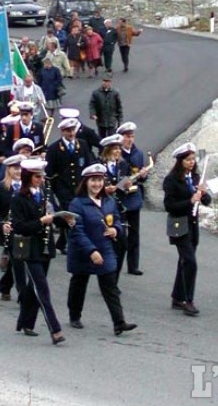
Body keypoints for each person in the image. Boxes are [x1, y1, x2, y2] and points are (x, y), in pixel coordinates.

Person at [67, 163, 137, 336]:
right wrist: (91, 251)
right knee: (79, 283)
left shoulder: (109, 201)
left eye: (99, 180)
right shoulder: (77, 204)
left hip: (105, 247)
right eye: (93, 181)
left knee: (110, 286)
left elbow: (118, 220)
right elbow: (77, 231)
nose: (97, 184)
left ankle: (119, 322)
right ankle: (74, 315)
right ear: (86, 182)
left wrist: (116, 230)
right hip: (83, 251)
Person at [10, 159, 68, 345]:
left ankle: (25, 322)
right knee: (41, 288)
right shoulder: (19, 198)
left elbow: (55, 215)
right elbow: (19, 226)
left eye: (41, 176)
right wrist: (41, 222)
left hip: (45, 247)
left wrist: (65, 220)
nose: (40, 180)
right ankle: (55, 329)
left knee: (32, 288)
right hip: (29, 248)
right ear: (28, 177)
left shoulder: (45, 195)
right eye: (36, 176)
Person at [163, 142, 211, 316]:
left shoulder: (195, 178)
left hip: (193, 224)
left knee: (184, 260)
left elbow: (206, 201)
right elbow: (169, 205)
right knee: (190, 261)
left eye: (192, 159)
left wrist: (203, 194)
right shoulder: (171, 180)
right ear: (180, 161)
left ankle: (177, 296)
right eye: (187, 160)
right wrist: (189, 201)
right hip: (179, 224)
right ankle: (187, 300)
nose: (191, 162)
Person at [46, 118, 95, 252]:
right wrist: (55, 189)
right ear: (62, 132)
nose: (71, 133)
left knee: (80, 214)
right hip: (63, 189)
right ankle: (74, 244)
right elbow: (49, 173)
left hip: (80, 187)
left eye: (73, 130)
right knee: (70, 216)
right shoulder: (54, 148)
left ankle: (62, 243)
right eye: (68, 131)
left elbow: (88, 164)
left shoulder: (83, 145)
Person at [0, 154, 27, 301]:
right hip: (8, 231)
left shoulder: (29, 188)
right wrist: (2, 224)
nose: (19, 171)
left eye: (21, 168)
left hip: (24, 229)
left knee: (18, 260)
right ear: (8, 169)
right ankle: (23, 295)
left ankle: (5, 285)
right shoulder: (0, 188)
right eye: (15, 168)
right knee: (19, 261)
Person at [117, 122, 149, 276]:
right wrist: (124, 183)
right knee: (120, 234)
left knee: (134, 234)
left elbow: (142, 179)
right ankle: (116, 264)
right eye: (126, 137)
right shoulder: (116, 154)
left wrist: (143, 175)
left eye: (131, 136)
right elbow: (112, 178)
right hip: (121, 199)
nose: (129, 140)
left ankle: (133, 265)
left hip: (134, 198)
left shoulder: (138, 154)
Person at [98, 134, 130, 277]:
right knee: (106, 243)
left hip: (119, 209)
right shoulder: (99, 165)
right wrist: (104, 190)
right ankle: (106, 275)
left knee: (122, 244)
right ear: (107, 150)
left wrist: (126, 185)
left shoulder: (122, 164)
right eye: (114, 149)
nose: (118, 151)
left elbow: (126, 182)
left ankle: (114, 277)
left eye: (119, 148)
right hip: (103, 209)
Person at [89, 74, 123, 138]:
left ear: (110, 82)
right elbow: (92, 104)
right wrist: (93, 114)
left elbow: (119, 107)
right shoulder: (96, 93)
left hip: (111, 120)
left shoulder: (115, 93)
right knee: (102, 138)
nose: (106, 83)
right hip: (101, 119)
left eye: (107, 81)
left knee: (111, 137)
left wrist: (120, 119)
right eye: (104, 81)